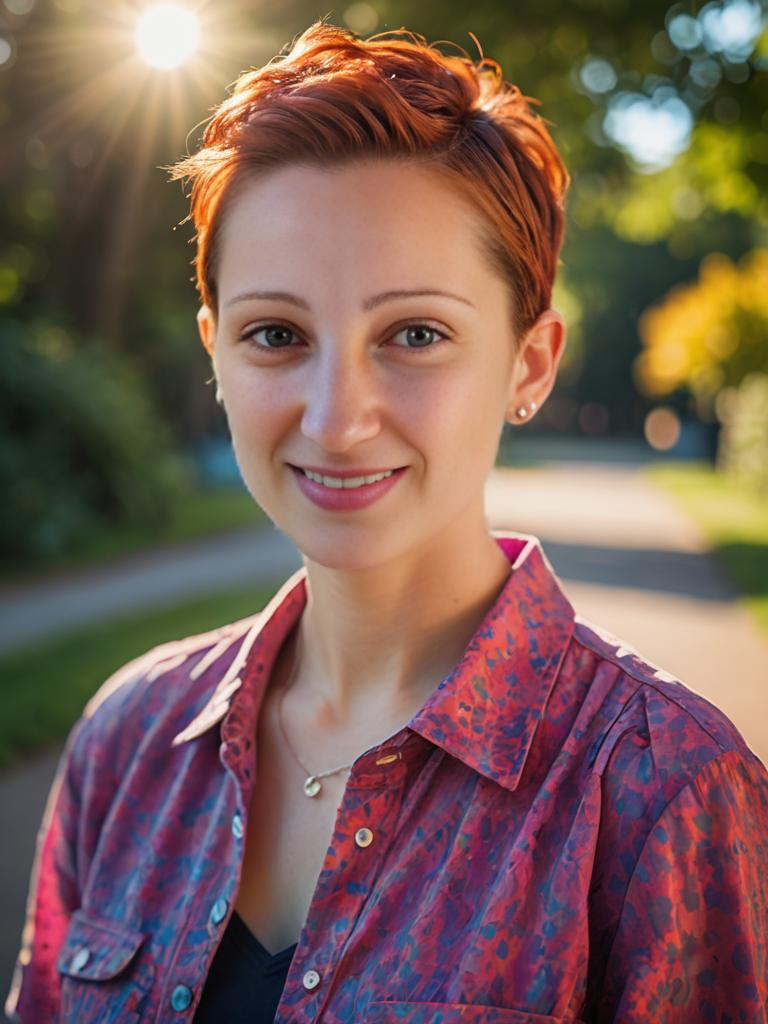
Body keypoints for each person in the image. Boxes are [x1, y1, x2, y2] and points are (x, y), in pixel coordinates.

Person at [6, 17, 768, 1024]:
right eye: (275, 335)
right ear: (217, 353)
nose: (337, 417)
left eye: (415, 333)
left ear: (528, 363)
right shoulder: (128, 739)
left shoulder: (662, 792)